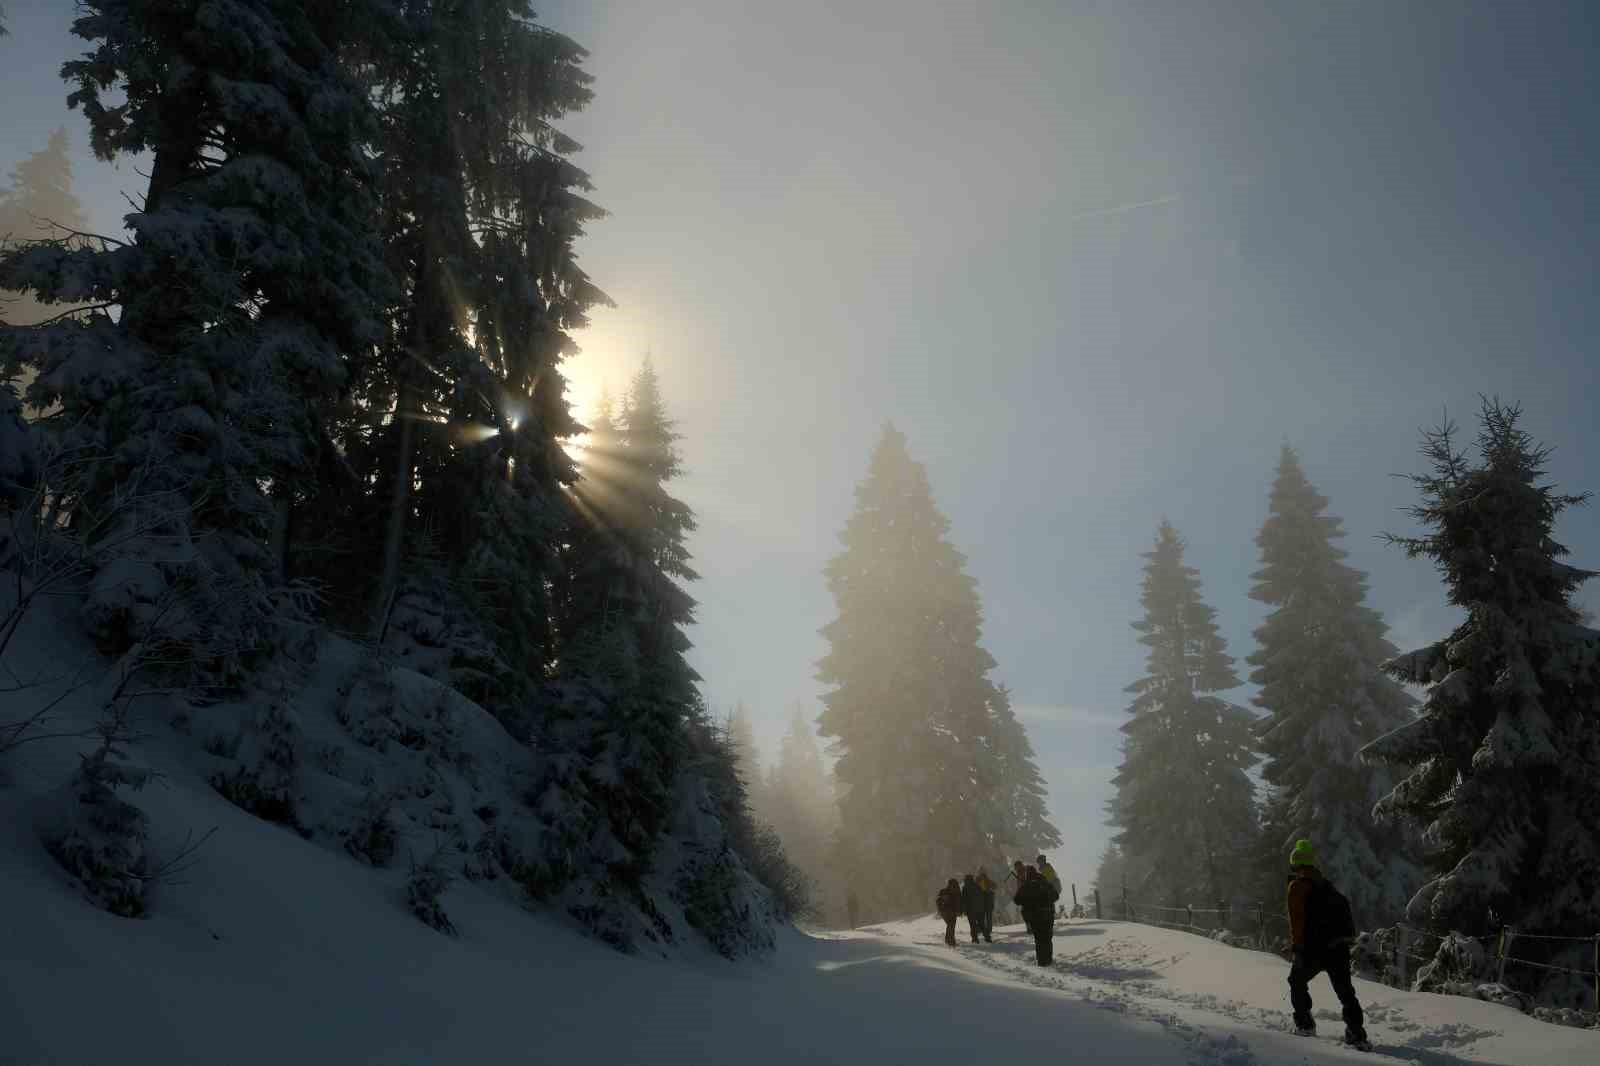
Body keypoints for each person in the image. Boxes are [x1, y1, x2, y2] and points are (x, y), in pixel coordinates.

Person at [1285, 839, 1369, 1049]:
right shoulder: (1326, 885)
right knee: (1346, 992)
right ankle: (1356, 1033)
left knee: (1296, 981)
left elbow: (1298, 922)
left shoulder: (1297, 887)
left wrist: (1297, 948)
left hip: (1313, 949)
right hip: (1338, 948)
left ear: (1295, 864)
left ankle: (1305, 1025)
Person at [1014, 864, 1059, 965]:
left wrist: (1026, 899)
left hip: (1034, 916)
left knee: (1039, 939)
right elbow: (1056, 896)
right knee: (1047, 937)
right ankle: (1048, 960)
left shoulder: (1026, 885)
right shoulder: (1045, 883)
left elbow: (1017, 900)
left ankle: (1042, 961)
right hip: (1048, 914)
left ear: (1027, 874)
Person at [936, 878, 962, 946]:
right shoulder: (956, 892)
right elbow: (959, 902)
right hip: (950, 911)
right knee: (951, 926)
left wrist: (940, 909)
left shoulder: (944, 891)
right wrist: (960, 911)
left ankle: (949, 940)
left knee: (950, 926)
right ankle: (950, 941)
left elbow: (938, 901)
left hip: (947, 912)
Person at [960, 874, 985, 943]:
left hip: (970, 910)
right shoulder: (977, 886)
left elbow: (963, 899)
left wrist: (964, 910)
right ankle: (987, 937)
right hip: (979, 909)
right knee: (981, 923)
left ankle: (975, 939)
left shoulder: (965, 888)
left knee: (972, 925)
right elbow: (982, 896)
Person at [975, 867, 996, 942]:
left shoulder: (983, 880)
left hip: (985, 902)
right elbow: (994, 886)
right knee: (985, 917)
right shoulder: (979, 880)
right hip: (984, 902)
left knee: (985, 917)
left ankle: (987, 930)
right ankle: (986, 930)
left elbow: (994, 886)